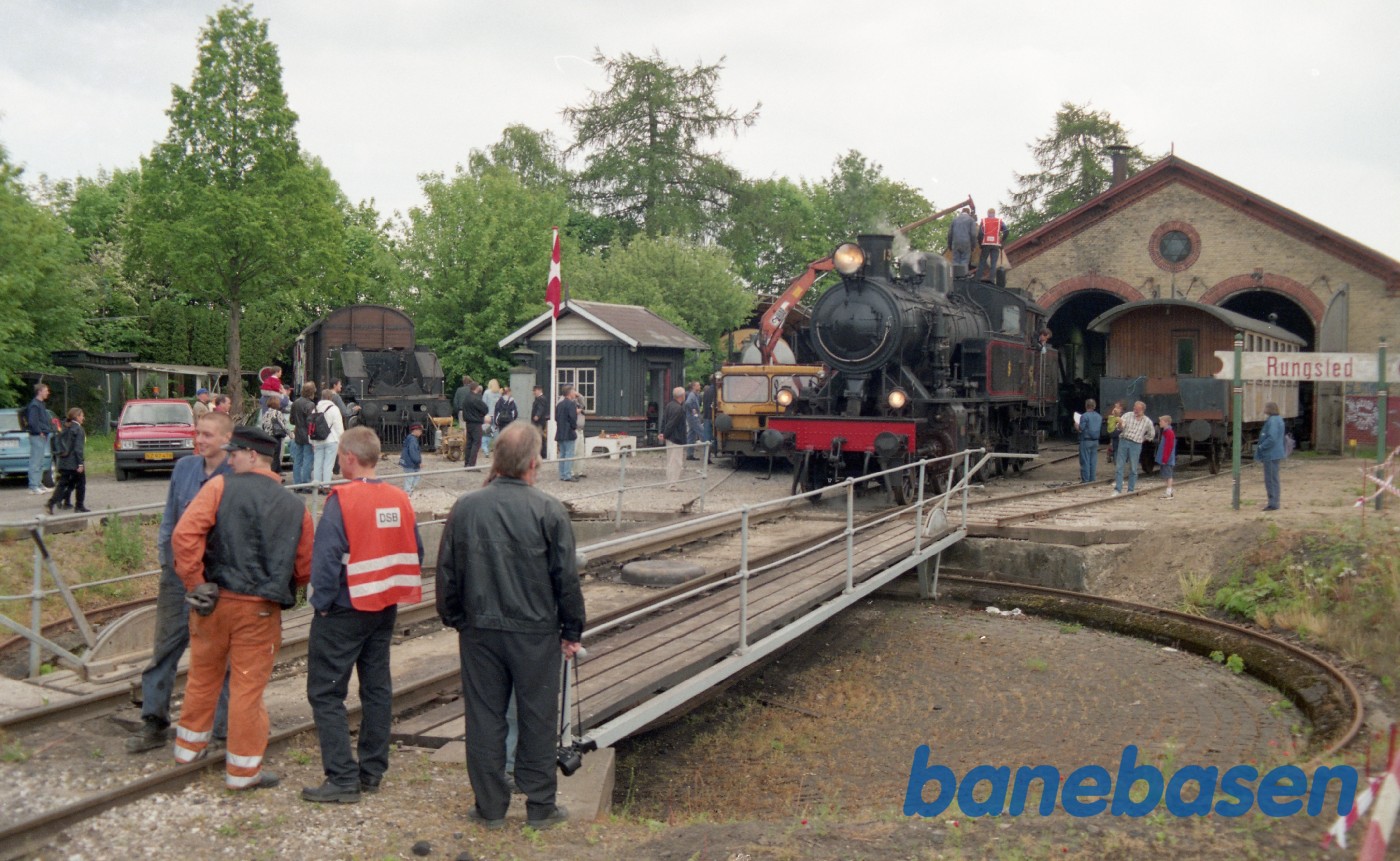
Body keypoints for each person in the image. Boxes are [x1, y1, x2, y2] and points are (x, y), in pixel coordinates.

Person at [436, 422, 585, 830]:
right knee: (537, 715)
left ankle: (489, 807)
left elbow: (446, 572)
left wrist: (456, 618)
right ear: (533, 462)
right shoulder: (548, 510)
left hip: (480, 630)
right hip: (535, 632)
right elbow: (565, 579)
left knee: (484, 716)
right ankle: (540, 806)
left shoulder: (466, 507)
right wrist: (571, 631)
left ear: (496, 459)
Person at [171, 426, 312, 789]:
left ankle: (188, 750)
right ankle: (243, 772)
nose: (228, 460)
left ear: (254, 456)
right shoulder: (296, 507)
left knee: (203, 676)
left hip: (213, 602)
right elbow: (304, 566)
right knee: (247, 689)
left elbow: (185, 535)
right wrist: (284, 585)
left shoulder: (219, 488)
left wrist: (195, 582)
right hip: (260, 611)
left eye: (235, 454)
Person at [303, 427, 423, 804]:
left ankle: (341, 778)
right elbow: (415, 549)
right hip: (383, 606)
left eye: (340, 456)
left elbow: (324, 558)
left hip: (344, 607)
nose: (339, 462)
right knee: (376, 689)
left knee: (325, 692)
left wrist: (321, 603)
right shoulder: (399, 497)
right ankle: (372, 771)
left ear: (350, 457)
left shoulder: (342, 499)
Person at [125, 412, 236, 753]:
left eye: (207, 435)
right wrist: (166, 561)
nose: (200, 440)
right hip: (178, 575)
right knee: (165, 649)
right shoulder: (184, 469)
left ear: (226, 440)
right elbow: (170, 520)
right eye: (197, 434)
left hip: (217, 579)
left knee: (220, 654)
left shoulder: (236, 476)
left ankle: (222, 730)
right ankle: (154, 721)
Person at [1113, 400, 1156, 495]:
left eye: (1137, 409)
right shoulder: (1127, 415)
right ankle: (1117, 489)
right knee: (1119, 466)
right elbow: (1120, 428)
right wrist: (1119, 423)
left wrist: (1142, 439)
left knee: (1133, 468)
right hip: (1124, 441)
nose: (1135, 411)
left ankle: (1130, 490)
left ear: (1143, 410)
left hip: (1136, 444)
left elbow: (1151, 434)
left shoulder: (1147, 421)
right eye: (1134, 408)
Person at [312, 388, 346, 489]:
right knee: (328, 464)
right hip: (331, 439)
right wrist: (341, 439)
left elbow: (311, 426)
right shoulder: (334, 409)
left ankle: (316, 485)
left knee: (317, 463)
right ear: (331, 397)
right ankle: (326, 486)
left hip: (318, 439)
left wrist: (312, 441)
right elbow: (338, 426)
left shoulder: (315, 409)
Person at [1255, 402, 1286, 511]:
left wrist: (1261, 446)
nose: (1264, 409)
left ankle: (1273, 503)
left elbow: (1272, 438)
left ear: (1270, 409)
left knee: (1271, 479)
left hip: (1271, 454)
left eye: (1265, 407)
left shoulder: (1272, 421)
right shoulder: (1278, 419)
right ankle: (1274, 501)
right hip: (1275, 453)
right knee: (1273, 478)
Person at [289, 382, 318, 491]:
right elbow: (311, 422)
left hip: (298, 434)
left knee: (298, 459)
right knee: (308, 459)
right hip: (307, 435)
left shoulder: (295, 403)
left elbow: (291, 420)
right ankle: (306, 483)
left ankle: (297, 484)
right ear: (311, 392)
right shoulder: (310, 405)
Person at [24, 383, 52, 495]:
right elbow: (32, 421)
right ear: (39, 391)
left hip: (43, 435)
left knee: (40, 461)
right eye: (46, 390)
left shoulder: (41, 404)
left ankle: (39, 484)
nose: (47, 392)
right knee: (35, 461)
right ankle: (33, 486)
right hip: (37, 436)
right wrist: (39, 431)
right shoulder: (34, 405)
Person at [660, 386, 687, 491]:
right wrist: (665, 434)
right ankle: (672, 485)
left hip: (670, 438)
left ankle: (670, 482)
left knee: (670, 461)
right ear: (682, 396)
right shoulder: (679, 409)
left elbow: (664, 420)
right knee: (676, 462)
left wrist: (662, 433)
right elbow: (671, 424)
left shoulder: (669, 405)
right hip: (676, 438)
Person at [974, 207, 1007, 282]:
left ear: (988, 213)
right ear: (994, 213)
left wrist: (980, 244)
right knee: (993, 263)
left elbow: (980, 234)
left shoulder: (984, 221)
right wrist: (1002, 241)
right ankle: (991, 279)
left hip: (986, 243)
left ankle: (978, 279)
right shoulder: (999, 221)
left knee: (982, 261)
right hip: (995, 244)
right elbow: (1006, 231)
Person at [554, 385, 579, 482]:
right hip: (568, 432)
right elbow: (573, 418)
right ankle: (567, 474)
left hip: (560, 431)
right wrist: (573, 427)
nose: (574, 393)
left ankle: (562, 474)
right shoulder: (571, 404)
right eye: (573, 391)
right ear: (569, 393)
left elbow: (556, 418)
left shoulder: (559, 404)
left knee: (562, 454)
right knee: (569, 454)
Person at [461, 384, 488, 468]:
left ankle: (467, 463)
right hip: (476, 423)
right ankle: (472, 464)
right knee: (476, 443)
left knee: (469, 443)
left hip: (468, 423)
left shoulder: (466, 397)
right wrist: (480, 415)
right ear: (476, 388)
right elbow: (485, 409)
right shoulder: (476, 399)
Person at [1075, 399, 1102, 484]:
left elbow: (1081, 429)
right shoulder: (1099, 417)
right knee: (1093, 460)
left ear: (1086, 406)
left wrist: (1076, 425)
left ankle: (1085, 479)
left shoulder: (1084, 416)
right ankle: (1092, 478)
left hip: (1085, 441)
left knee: (1085, 460)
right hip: (1095, 441)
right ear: (1094, 406)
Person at [947, 207, 978, 274]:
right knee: (964, 261)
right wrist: (973, 246)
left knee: (955, 261)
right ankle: (962, 277)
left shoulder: (954, 220)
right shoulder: (971, 220)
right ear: (969, 213)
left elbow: (950, 234)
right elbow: (973, 234)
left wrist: (949, 245)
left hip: (955, 243)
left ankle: (955, 278)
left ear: (961, 212)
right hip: (966, 243)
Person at [1156, 415, 1177, 500]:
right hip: (1166, 458)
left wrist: (1165, 458)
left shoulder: (1168, 432)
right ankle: (1169, 491)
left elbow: (1169, 446)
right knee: (1166, 475)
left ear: (1166, 422)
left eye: (1161, 421)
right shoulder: (1166, 432)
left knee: (1168, 475)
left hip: (1167, 458)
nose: (1160, 422)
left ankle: (1169, 491)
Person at [399, 423, 424, 495]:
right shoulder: (413, 440)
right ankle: (407, 494)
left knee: (413, 477)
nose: (421, 432)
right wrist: (418, 462)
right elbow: (413, 452)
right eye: (420, 431)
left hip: (408, 462)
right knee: (411, 478)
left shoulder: (409, 438)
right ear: (415, 430)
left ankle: (409, 492)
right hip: (411, 463)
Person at [481, 380, 502, 456]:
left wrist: (484, 414)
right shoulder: (499, 393)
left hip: (488, 416)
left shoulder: (487, 392)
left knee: (486, 433)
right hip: (497, 416)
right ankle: (497, 449)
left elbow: (484, 404)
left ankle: (486, 450)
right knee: (496, 433)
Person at [684, 382, 703, 461]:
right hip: (693, 418)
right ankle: (708, 451)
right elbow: (687, 403)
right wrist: (693, 410)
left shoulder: (695, 395)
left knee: (691, 435)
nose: (700, 386)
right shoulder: (692, 395)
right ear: (694, 387)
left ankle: (689, 454)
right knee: (702, 432)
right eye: (698, 385)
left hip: (692, 417)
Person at [701, 375, 717, 461]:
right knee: (716, 436)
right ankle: (716, 451)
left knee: (707, 438)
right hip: (715, 417)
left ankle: (706, 457)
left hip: (706, 416)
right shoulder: (718, 391)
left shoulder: (706, 391)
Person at [530, 385, 549, 459]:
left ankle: (542, 453)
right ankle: (541, 453)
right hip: (539, 422)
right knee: (540, 437)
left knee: (539, 437)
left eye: (534, 391)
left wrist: (537, 415)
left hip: (539, 422)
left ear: (539, 390)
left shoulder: (541, 399)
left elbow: (540, 408)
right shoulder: (540, 398)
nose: (533, 392)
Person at [1106, 402, 1124, 466]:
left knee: (1117, 449)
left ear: (1121, 408)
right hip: (1116, 435)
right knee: (1115, 448)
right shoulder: (1114, 417)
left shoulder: (1122, 417)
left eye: (1117, 407)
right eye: (1115, 407)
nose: (1115, 409)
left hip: (1118, 435)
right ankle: (1116, 462)